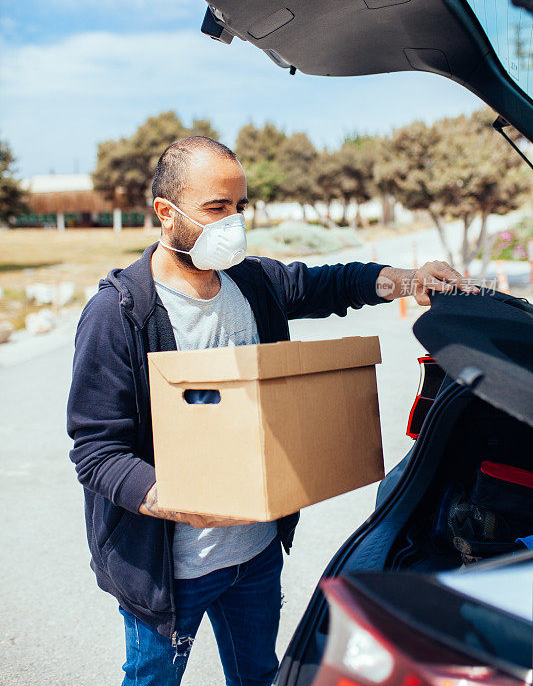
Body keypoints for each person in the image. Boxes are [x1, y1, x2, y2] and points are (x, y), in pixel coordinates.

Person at [67, 135, 477, 686]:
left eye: (240, 207)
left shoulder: (251, 282)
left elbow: (327, 284)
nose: (233, 223)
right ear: (167, 213)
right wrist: (181, 500)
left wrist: (407, 279)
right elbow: (96, 452)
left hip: (256, 554)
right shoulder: (119, 313)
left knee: (259, 675)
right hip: (171, 569)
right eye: (216, 209)